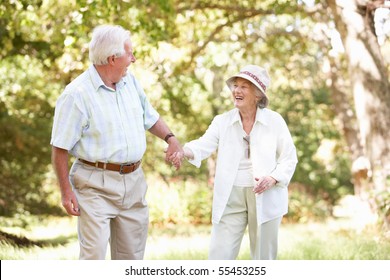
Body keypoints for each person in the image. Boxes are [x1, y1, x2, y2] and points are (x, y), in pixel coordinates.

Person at [51, 24, 183, 260]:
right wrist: (65, 191)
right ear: (112, 58)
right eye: (129, 53)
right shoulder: (77, 95)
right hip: (94, 184)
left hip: (133, 182)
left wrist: (170, 138)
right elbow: (60, 147)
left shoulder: (129, 82)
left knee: (131, 259)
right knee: (94, 258)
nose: (133, 59)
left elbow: (149, 116)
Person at [172, 65, 297, 260]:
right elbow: (204, 144)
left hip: (266, 193)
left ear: (258, 94)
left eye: (244, 86)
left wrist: (273, 178)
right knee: (219, 255)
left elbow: (289, 158)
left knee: (264, 257)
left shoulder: (275, 121)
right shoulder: (222, 121)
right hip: (231, 193)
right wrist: (182, 151)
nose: (236, 90)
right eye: (235, 86)